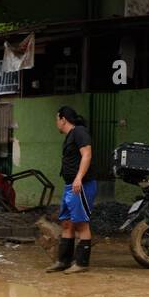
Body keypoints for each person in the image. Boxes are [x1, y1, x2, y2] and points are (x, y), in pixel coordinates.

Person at [46, 106, 96, 274]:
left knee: (81, 223)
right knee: (67, 223)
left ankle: (82, 263)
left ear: (63, 119)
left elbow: (87, 154)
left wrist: (79, 178)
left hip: (80, 185)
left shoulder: (80, 132)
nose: (56, 123)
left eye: (56, 119)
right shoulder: (70, 136)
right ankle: (63, 261)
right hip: (70, 186)